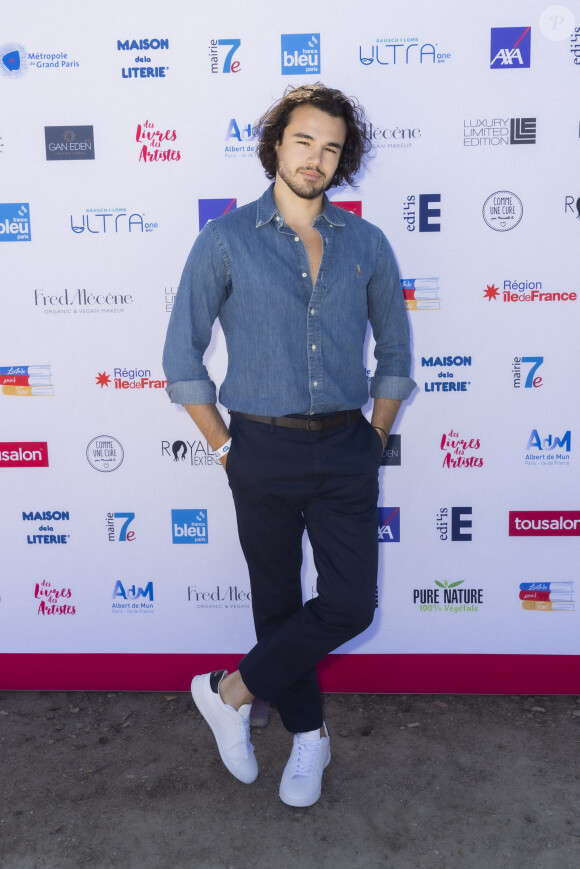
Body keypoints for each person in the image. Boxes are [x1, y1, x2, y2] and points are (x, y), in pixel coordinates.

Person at [162, 83, 416, 807]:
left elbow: (395, 350)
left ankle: (230, 689)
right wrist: (225, 450)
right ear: (276, 144)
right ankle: (310, 737)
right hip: (259, 451)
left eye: (332, 147)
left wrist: (375, 434)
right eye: (304, 141)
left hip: (347, 446)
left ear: (344, 160)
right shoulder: (226, 239)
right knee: (275, 603)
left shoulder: (366, 243)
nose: (317, 157)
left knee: (349, 603)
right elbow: (182, 358)